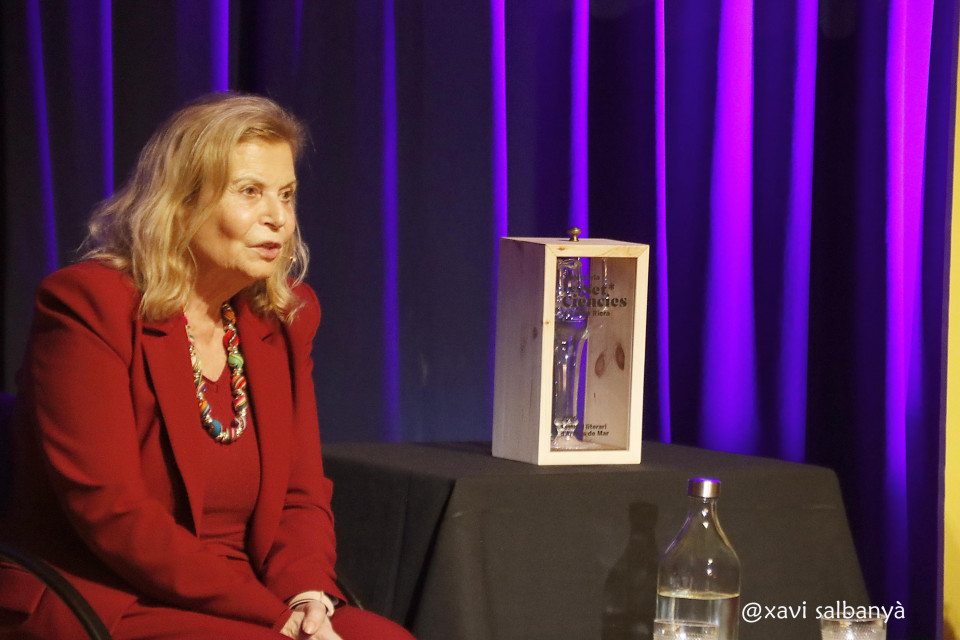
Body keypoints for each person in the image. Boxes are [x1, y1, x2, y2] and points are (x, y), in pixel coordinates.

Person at [0, 93, 415, 640]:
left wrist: (307, 595)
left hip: (254, 594)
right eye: (250, 192)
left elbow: (301, 494)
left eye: (286, 195)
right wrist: (273, 617)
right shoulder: (89, 306)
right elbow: (111, 511)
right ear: (182, 203)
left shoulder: (284, 318)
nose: (278, 218)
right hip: (107, 594)